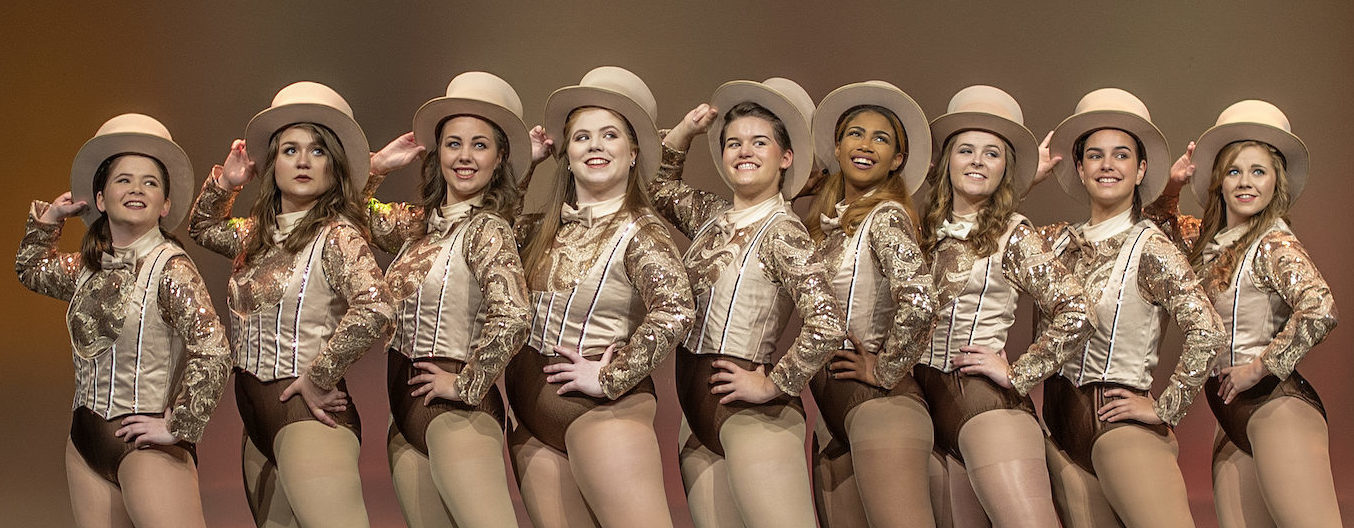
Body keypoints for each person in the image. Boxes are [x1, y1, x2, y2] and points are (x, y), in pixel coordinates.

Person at [188, 81, 394, 527]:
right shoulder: (255, 236)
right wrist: (226, 183)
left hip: (308, 417)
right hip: (255, 423)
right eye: (290, 150)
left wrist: (320, 375)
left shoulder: (337, 235)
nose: (303, 161)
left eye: (318, 151)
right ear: (272, 164)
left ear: (333, 166)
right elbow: (202, 227)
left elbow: (377, 306)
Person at [16, 113, 231, 528]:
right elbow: (32, 270)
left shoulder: (171, 269)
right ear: (100, 199)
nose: (136, 188)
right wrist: (50, 220)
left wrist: (180, 423)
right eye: (123, 180)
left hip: (145, 447)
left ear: (165, 204)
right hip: (84, 442)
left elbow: (214, 350)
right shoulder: (87, 268)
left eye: (150, 182)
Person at [507, 66, 694, 528]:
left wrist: (611, 376)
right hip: (531, 412)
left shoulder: (641, 232)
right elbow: (487, 236)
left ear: (633, 154)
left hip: (602, 412)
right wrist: (527, 166)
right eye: (582, 137)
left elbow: (676, 310)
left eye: (610, 135)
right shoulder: (541, 227)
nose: (595, 146)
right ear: (567, 155)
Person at [657, 77, 846, 528]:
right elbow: (657, 187)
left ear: (786, 158)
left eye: (760, 142)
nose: (745, 151)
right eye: (733, 143)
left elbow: (826, 323)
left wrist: (773, 385)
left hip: (752, 416)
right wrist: (685, 131)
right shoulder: (711, 217)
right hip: (695, 415)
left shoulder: (784, 231)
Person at [1145, 100, 1342, 527]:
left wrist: (1258, 368)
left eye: (1258, 172)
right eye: (1234, 171)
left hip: (1276, 406)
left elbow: (1320, 309)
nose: (1245, 182)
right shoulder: (1207, 242)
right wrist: (1173, 186)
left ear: (1276, 183)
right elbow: (1151, 232)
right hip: (1229, 416)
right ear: (1219, 180)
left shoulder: (1274, 243)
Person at [1036, 88, 1226, 527]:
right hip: (1060, 431)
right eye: (1095, 155)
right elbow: (985, 241)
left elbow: (1208, 330)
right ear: (1080, 168)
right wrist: (1025, 179)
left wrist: (1165, 408)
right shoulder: (1055, 241)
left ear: (1141, 170)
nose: (1107, 165)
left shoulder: (1151, 247)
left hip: (1119, 427)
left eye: (1121, 155)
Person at [363, 71, 534, 527]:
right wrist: (377, 167)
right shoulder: (419, 224)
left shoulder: (488, 228)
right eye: (453, 143)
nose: (464, 156)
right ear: (438, 152)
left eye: (480, 145)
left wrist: (466, 384)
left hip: (458, 412)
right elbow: (350, 216)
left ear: (499, 158)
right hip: (404, 411)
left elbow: (514, 316)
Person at [917, 85, 1092, 528]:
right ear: (946, 161)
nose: (977, 161)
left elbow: (1077, 311)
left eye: (992, 154)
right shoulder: (920, 229)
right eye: (966, 150)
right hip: (922, 403)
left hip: (982, 403)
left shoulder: (1014, 234)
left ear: (1004, 169)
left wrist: (1019, 373)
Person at [796, 80, 938, 527]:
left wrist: (885, 369)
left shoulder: (886, 217)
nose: (865, 145)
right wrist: (795, 187)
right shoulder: (825, 227)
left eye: (881, 138)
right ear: (836, 148)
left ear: (897, 159)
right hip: (832, 414)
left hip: (881, 407)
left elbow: (920, 300)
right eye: (855, 134)